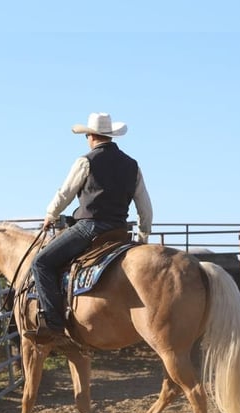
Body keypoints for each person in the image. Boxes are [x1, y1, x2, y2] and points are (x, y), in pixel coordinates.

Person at [28, 112, 153, 342]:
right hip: (119, 231)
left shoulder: (85, 161)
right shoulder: (132, 165)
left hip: (90, 228)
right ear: (110, 136)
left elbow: (65, 193)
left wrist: (50, 214)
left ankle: (54, 324)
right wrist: (143, 235)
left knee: (41, 262)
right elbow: (145, 206)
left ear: (92, 136)